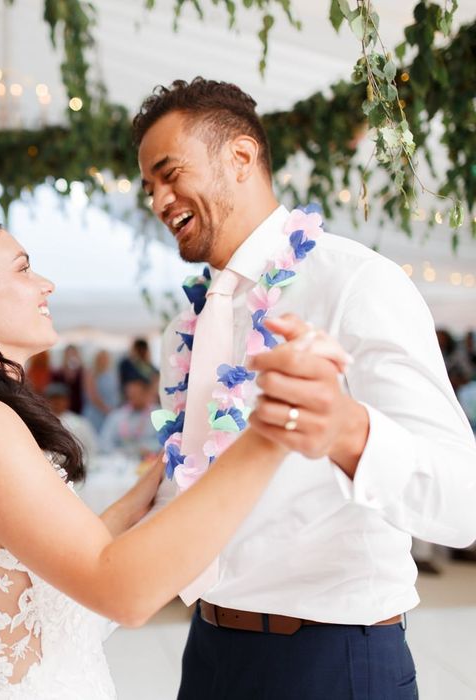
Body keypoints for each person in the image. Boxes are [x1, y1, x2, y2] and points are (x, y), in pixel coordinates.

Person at [0, 216, 338, 699]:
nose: (46, 285)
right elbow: (122, 592)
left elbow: (69, 567)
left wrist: (157, 481)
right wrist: (271, 430)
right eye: (25, 268)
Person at [135, 77, 476, 698]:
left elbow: (464, 502)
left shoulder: (356, 284)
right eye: (149, 187)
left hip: (333, 657)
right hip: (207, 650)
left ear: (240, 157)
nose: (159, 200)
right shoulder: (181, 332)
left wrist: (350, 432)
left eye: (169, 173)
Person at [99, 377, 161, 459]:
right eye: (130, 395)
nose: (132, 398)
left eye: (136, 394)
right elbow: (104, 441)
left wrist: (147, 448)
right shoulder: (117, 416)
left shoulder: (158, 414)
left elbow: (164, 442)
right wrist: (118, 452)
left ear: (146, 393)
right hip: (120, 462)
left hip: (149, 460)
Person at [45, 382, 99, 461]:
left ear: (67, 401)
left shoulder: (80, 423)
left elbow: (92, 448)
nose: (57, 402)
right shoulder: (42, 421)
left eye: (60, 399)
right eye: (53, 399)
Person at [82, 349, 119, 433]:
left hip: (111, 412)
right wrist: (105, 409)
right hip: (96, 413)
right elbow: (92, 395)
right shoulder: (91, 374)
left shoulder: (112, 374)